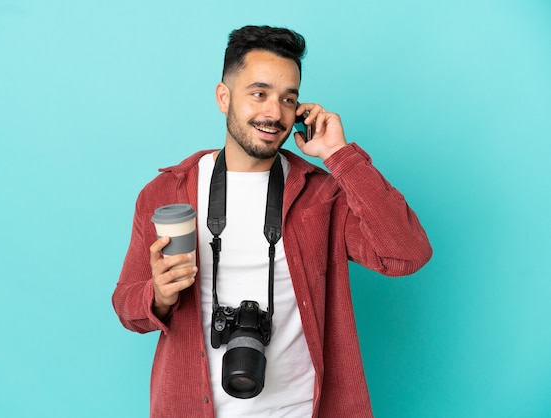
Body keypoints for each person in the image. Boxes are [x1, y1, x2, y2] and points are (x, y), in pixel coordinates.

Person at [112, 25, 432, 418]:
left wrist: (339, 155)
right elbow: (126, 305)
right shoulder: (166, 194)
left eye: (288, 99)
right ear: (224, 97)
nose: (273, 113)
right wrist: (159, 296)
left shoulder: (321, 194)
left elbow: (406, 254)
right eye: (259, 93)